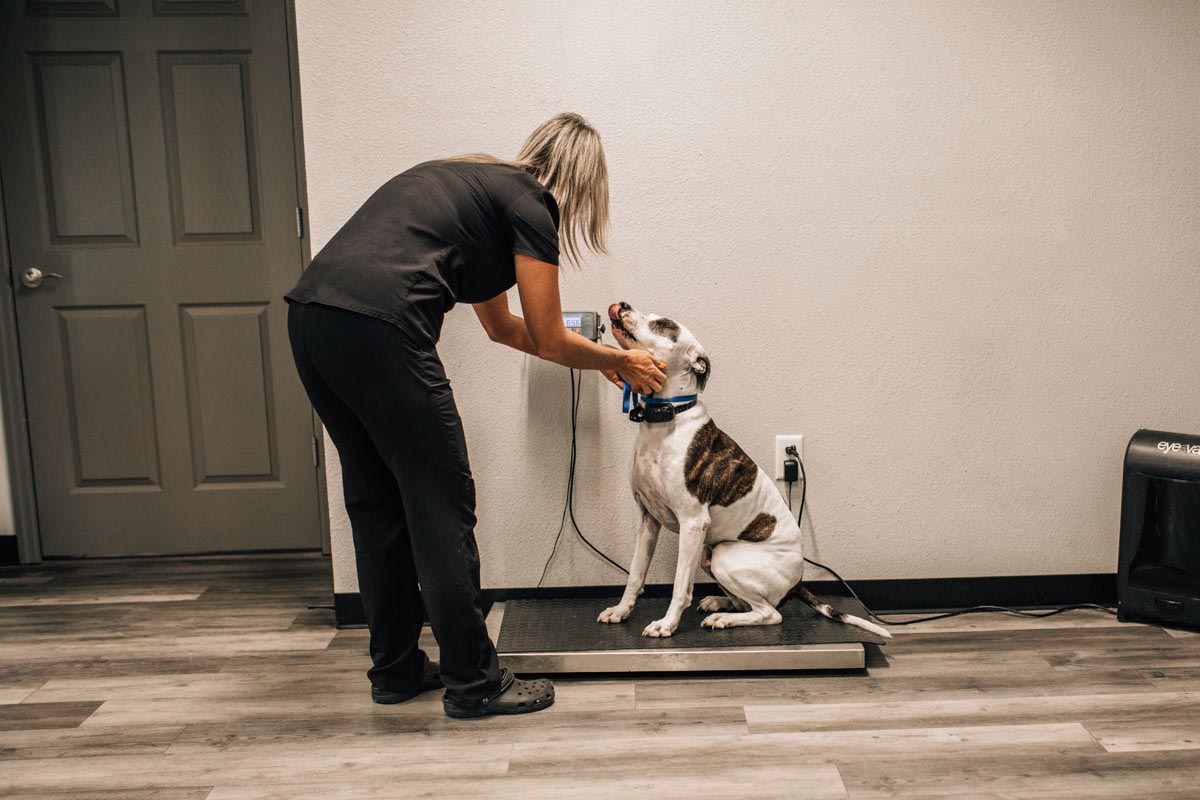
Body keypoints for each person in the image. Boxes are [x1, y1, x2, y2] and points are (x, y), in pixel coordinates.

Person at [284, 113, 667, 718]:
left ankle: (396, 668)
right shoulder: (533, 206)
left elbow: (504, 329)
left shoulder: (479, 191)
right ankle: (475, 682)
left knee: (377, 501)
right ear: (582, 181)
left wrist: (599, 359)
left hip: (311, 319)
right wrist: (618, 357)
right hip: (380, 327)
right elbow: (547, 337)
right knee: (441, 501)